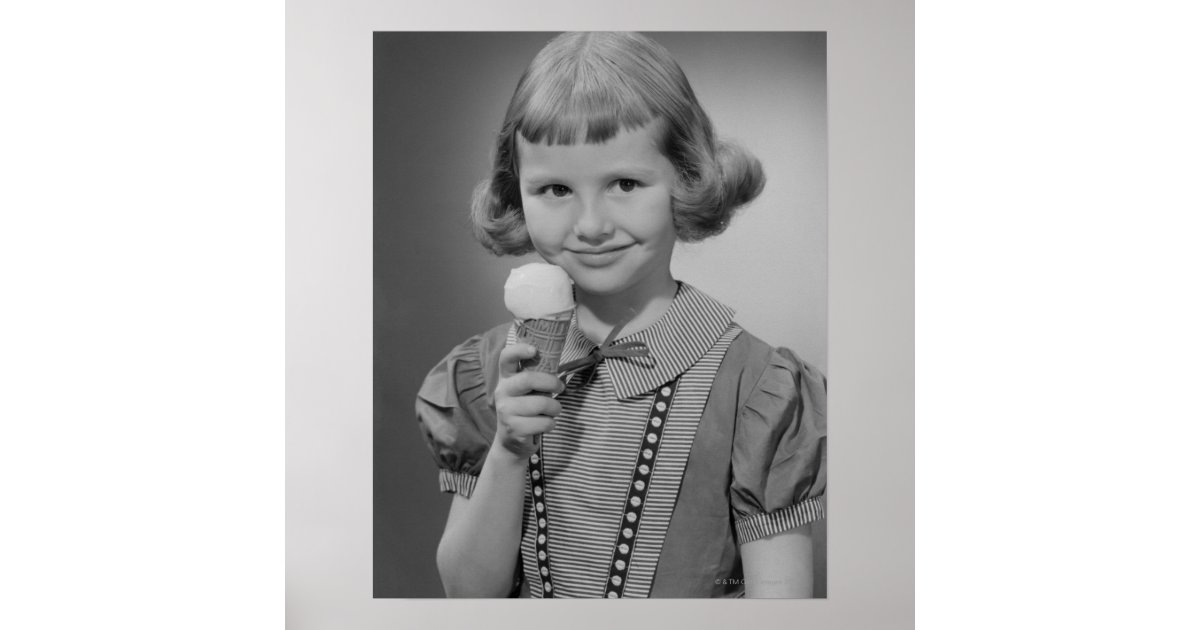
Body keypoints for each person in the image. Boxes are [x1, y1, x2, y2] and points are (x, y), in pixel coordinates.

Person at [415, 31, 826, 598]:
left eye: (625, 183)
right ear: (518, 194)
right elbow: (468, 595)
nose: (590, 225)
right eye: (555, 188)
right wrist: (509, 449)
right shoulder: (487, 374)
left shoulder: (758, 390)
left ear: (687, 179)